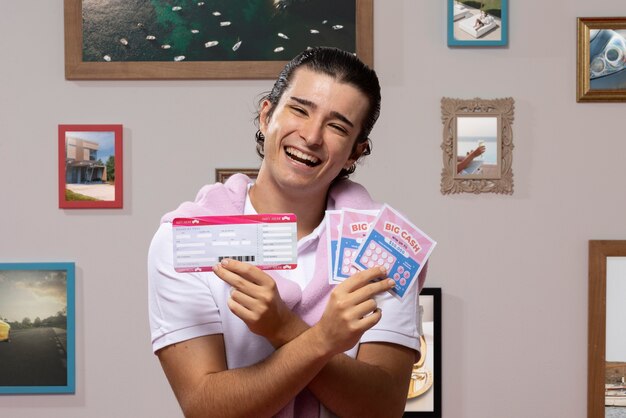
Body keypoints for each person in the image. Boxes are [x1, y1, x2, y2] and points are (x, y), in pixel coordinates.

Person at [148, 47, 427, 418]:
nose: (311, 136)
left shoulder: (384, 245)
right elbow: (205, 408)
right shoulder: (185, 240)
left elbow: (382, 408)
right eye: (299, 109)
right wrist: (320, 340)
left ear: (355, 153)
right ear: (267, 115)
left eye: (337, 126)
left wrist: (283, 328)